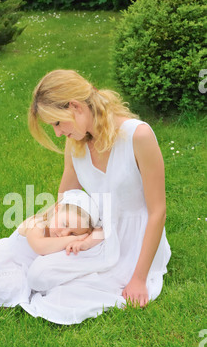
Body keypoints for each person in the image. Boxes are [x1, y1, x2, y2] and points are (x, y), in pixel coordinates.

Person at [21, 69, 171, 324]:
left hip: (134, 242)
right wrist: (45, 221)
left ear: (75, 107)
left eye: (58, 123)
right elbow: (66, 195)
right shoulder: (76, 142)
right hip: (96, 231)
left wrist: (138, 278)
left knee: (40, 275)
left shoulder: (138, 136)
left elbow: (158, 212)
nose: (57, 133)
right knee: (22, 251)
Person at [0, 189, 101, 326]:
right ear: (56, 210)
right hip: (6, 263)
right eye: (64, 224)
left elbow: (101, 232)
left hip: (25, 269)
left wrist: (86, 240)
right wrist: (74, 238)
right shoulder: (36, 223)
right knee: (7, 285)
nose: (64, 233)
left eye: (73, 232)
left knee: (12, 295)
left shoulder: (64, 234)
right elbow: (40, 247)